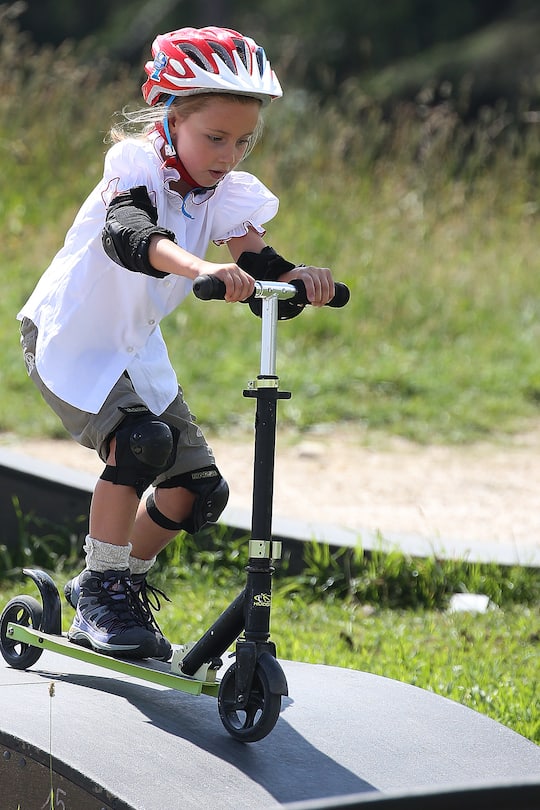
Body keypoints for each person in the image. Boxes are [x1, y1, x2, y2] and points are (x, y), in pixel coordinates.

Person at [18, 26, 335, 661]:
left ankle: (110, 587)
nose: (229, 154)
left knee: (198, 487)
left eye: (243, 141)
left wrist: (296, 279)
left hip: (134, 349)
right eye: (214, 137)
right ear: (171, 116)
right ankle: (105, 587)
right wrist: (203, 271)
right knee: (139, 445)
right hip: (71, 338)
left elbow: (259, 259)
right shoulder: (134, 168)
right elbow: (132, 237)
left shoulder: (224, 191)